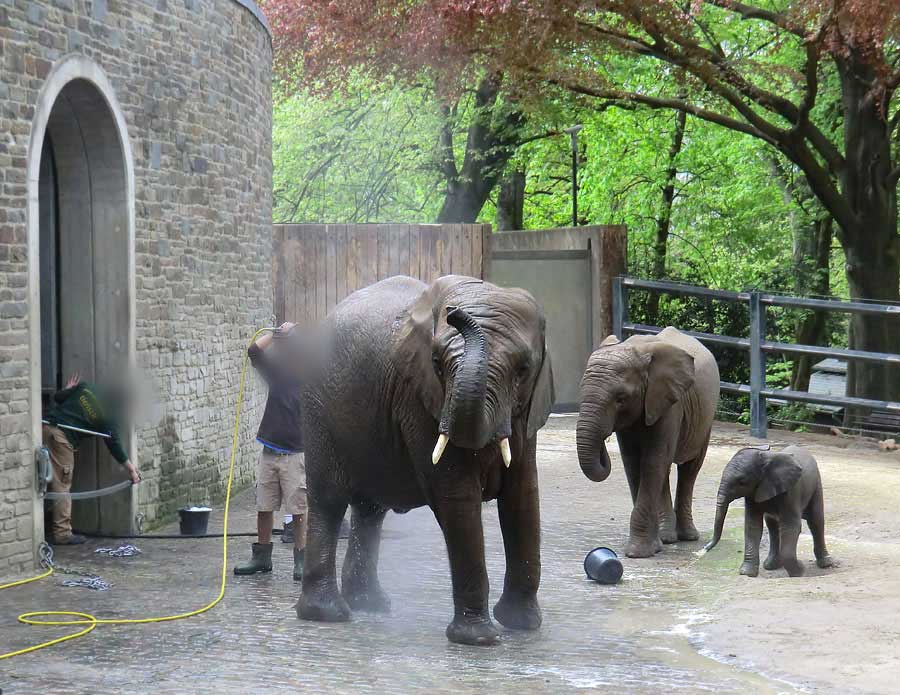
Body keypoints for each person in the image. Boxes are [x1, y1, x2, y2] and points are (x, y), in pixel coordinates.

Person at [234, 322, 307, 581]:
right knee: (264, 507)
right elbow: (253, 351)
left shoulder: (312, 380)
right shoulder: (277, 373)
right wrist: (275, 335)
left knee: (298, 510)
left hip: (296, 454)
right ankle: (262, 558)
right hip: (269, 451)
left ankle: (302, 561)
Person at [43, 373, 141, 545]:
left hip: (44, 428)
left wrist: (67, 390)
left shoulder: (86, 387)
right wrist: (131, 469)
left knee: (42, 479)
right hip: (61, 439)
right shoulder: (109, 416)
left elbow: (58, 397)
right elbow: (114, 445)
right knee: (62, 485)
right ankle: (62, 533)